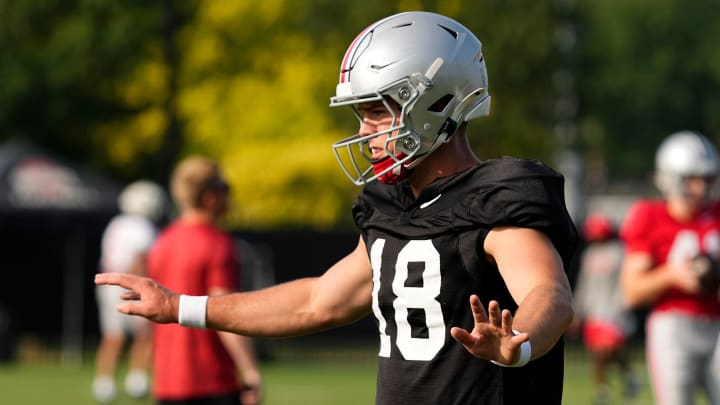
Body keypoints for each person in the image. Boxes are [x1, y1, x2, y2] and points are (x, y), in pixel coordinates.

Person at [96, 11, 577, 405]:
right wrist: (181, 305)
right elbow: (317, 302)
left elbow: (548, 293)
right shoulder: (393, 206)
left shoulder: (496, 200)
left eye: (375, 111)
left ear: (436, 102)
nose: (365, 131)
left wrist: (521, 343)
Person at [147, 156, 262, 405]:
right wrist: (250, 371)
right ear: (210, 197)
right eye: (226, 189)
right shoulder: (218, 244)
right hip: (213, 381)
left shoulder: (162, 242)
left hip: (167, 382)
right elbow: (226, 313)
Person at [619, 130, 720, 405]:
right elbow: (632, 291)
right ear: (670, 178)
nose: (700, 188)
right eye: (691, 179)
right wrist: (673, 275)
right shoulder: (649, 215)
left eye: (707, 179)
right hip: (673, 324)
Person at [93, 180, 166, 403]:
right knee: (145, 333)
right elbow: (140, 259)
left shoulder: (116, 223)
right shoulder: (141, 227)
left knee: (112, 336)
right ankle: (137, 380)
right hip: (129, 283)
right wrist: (141, 288)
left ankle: (104, 383)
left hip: (108, 283)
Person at [572, 213, 639, 404]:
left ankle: (629, 377)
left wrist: (624, 305)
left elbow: (626, 281)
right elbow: (585, 284)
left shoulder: (620, 252)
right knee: (597, 353)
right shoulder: (590, 254)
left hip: (614, 310)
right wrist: (578, 309)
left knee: (609, 349)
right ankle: (603, 389)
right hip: (594, 310)